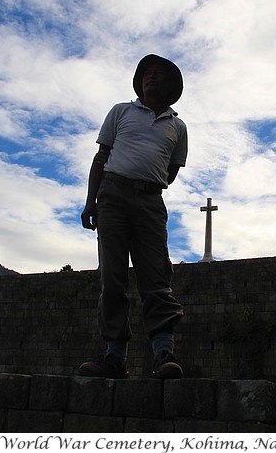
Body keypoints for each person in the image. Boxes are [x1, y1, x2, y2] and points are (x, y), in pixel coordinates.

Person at [78, 54, 188, 380]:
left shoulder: (177, 127)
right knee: (112, 276)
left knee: (156, 276)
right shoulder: (120, 111)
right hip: (113, 195)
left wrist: (147, 185)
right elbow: (100, 159)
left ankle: (163, 353)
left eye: (159, 74)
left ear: (169, 85)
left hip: (151, 203)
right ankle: (114, 357)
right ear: (140, 82)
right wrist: (90, 202)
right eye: (147, 73)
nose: (152, 77)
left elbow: (170, 171)